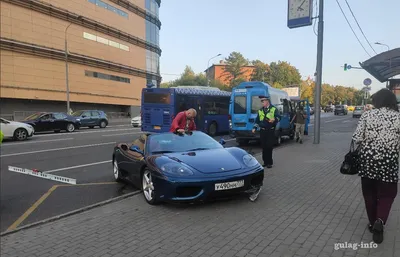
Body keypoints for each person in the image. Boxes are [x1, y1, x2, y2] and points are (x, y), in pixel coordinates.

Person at [352, 89, 400, 244]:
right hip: (389, 160)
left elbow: (357, 137)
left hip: (368, 161)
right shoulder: (398, 117)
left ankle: (373, 223)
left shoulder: (368, 115)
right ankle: (380, 220)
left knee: (369, 194)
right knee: (388, 194)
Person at [252, 95, 280, 168]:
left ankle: (269, 163)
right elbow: (257, 120)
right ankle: (265, 162)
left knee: (269, 146)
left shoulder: (273, 109)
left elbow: (279, 117)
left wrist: (274, 119)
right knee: (264, 147)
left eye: (263, 101)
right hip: (263, 131)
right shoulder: (261, 110)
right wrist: (254, 128)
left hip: (270, 131)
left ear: (267, 101)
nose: (262, 103)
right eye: (261, 101)